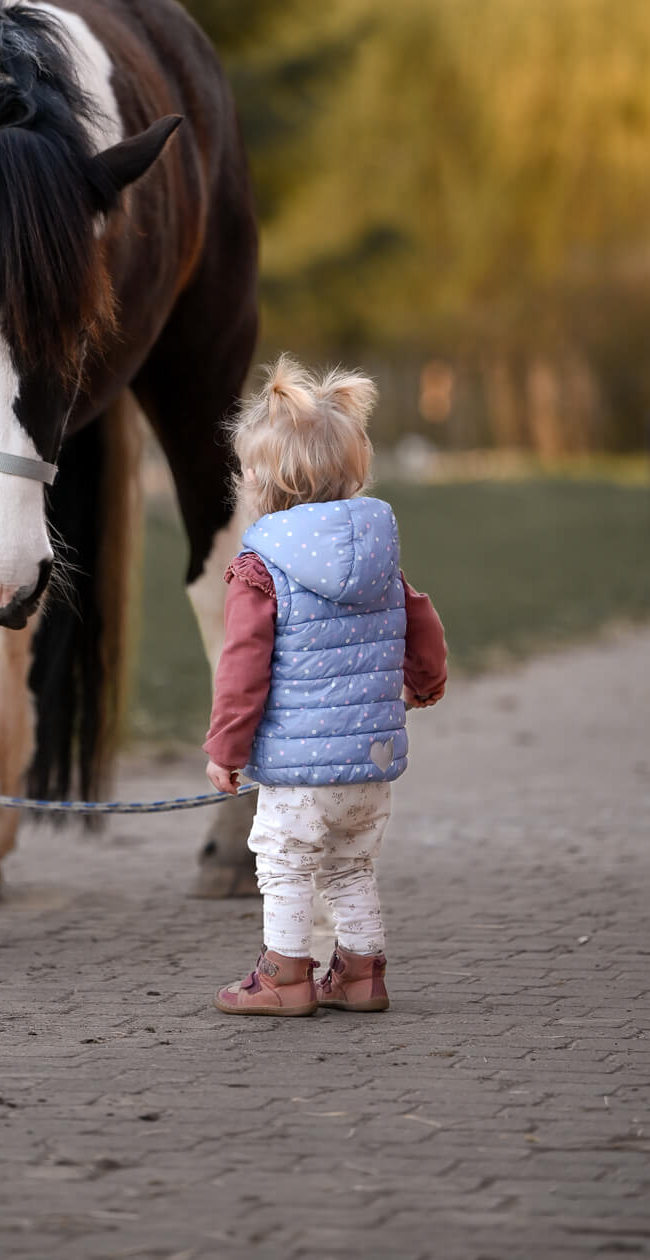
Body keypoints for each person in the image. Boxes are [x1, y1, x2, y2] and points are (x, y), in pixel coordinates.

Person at [204, 356, 447, 1017]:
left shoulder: (262, 569)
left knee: (282, 860)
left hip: (300, 768)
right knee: (350, 866)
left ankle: (285, 976)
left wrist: (226, 750)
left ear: (264, 480)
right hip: (368, 764)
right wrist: (425, 683)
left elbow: (242, 668)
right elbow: (421, 619)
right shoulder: (378, 556)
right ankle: (362, 972)